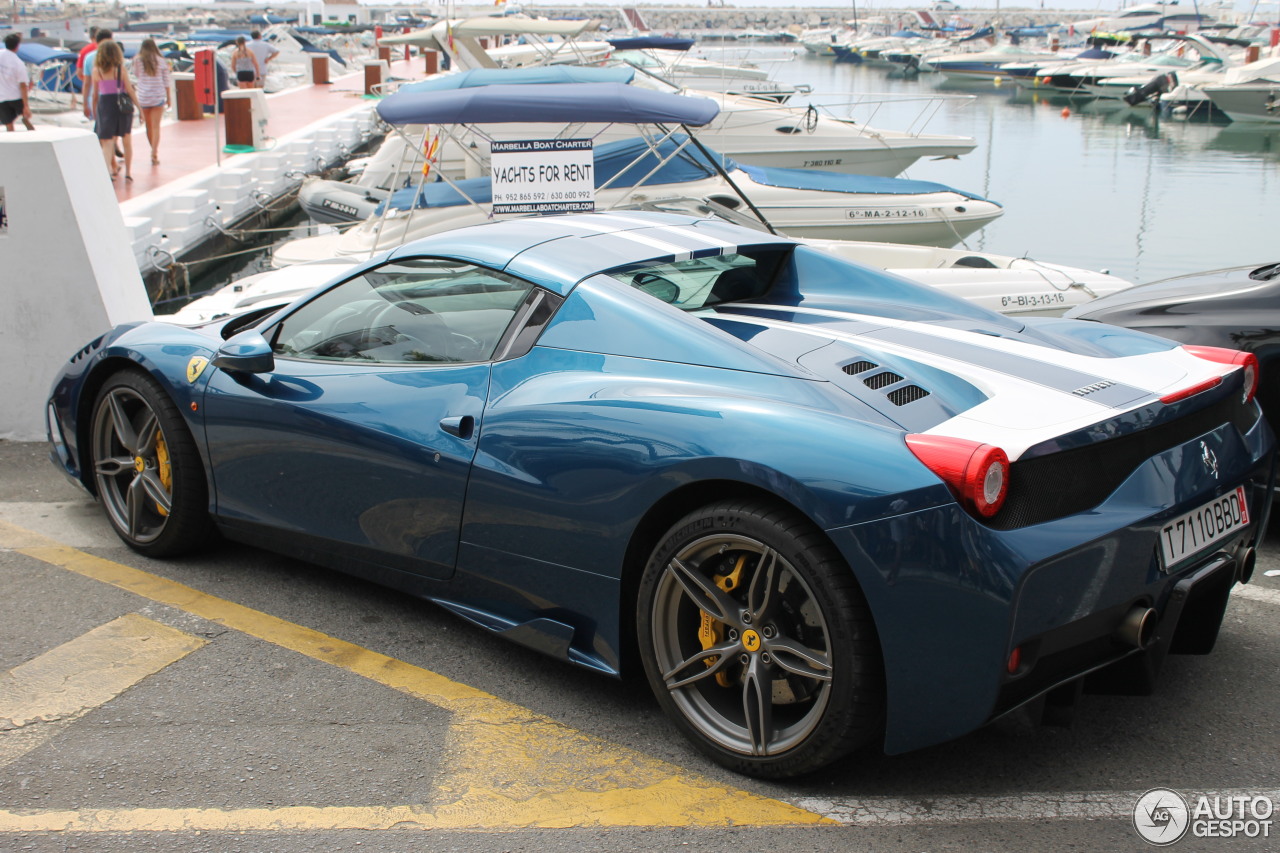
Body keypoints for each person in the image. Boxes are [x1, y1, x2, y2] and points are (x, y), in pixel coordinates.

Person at [87, 40, 138, 181]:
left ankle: (107, 173)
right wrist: (139, 107)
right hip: (121, 104)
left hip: (105, 105)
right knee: (126, 140)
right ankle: (128, 172)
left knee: (107, 142)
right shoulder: (120, 69)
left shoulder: (96, 71)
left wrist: (95, 112)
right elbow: (129, 89)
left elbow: (95, 94)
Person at [130, 38, 171, 165]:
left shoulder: (137, 60)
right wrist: (169, 97)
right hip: (158, 95)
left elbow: (136, 75)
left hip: (144, 96)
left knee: (148, 126)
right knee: (156, 126)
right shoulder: (161, 61)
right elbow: (166, 80)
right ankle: (154, 151)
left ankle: (151, 148)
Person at [0, 33, 33, 132]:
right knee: (27, 117)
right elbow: (23, 85)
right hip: (16, 96)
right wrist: (26, 105)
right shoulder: (18, 62)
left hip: (2, 97)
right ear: (17, 46)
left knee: (9, 125)